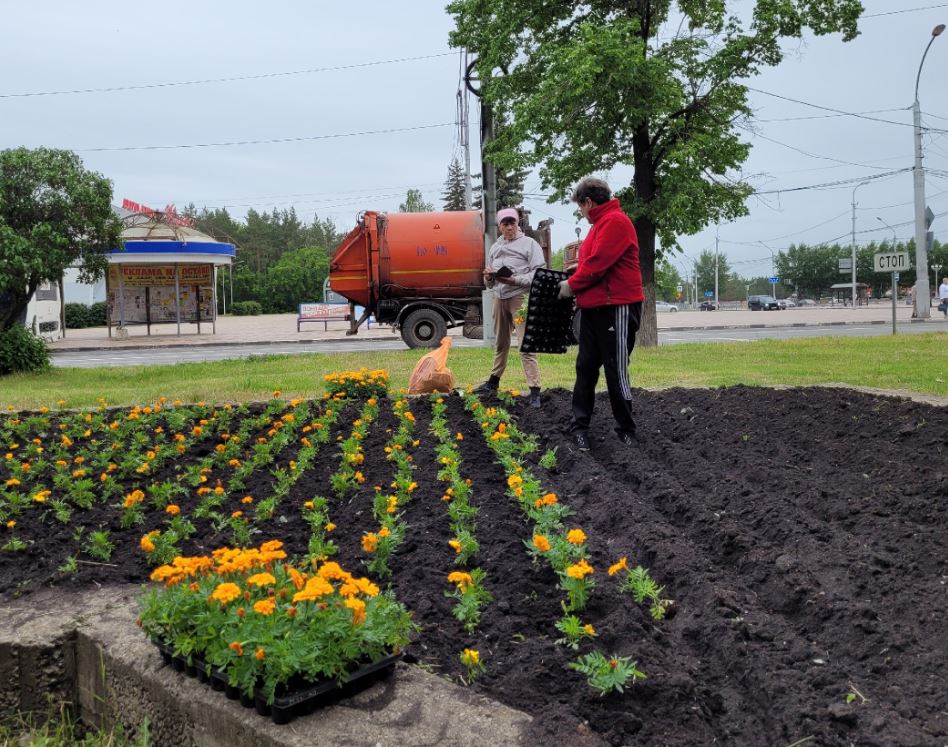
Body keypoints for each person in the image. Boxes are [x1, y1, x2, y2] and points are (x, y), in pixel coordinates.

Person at [558, 177, 643, 450]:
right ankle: (579, 427)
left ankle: (626, 430)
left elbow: (598, 264)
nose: (581, 212)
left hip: (615, 307)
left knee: (616, 370)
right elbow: (591, 262)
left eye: (580, 207)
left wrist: (571, 285)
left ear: (588, 202)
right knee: (585, 368)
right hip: (593, 308)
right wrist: (577, 273)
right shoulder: (598, 226)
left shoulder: (615, 222)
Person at [473, 208, 545, 407]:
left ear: (517, 223)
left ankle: (535, 390)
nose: (509, 227)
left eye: (512, 222)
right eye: (505, 224)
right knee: (500, 342)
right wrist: (488, 277)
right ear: (500, 227)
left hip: (519, 297)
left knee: (525, 344)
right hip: (499, 297)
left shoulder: (529, 244)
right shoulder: (495, 248)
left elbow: (539, 273)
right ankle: (493, 382)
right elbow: (488, 282)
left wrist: (515, 280)